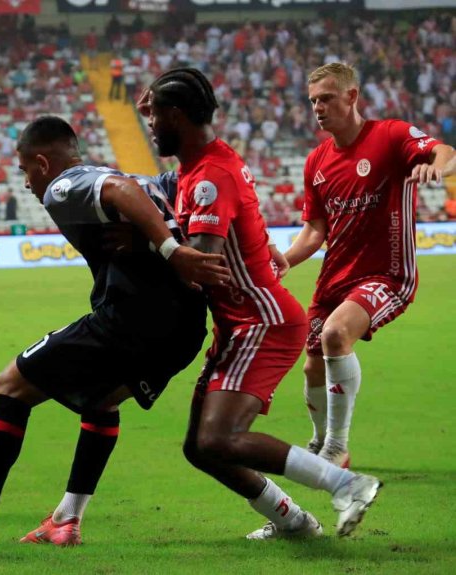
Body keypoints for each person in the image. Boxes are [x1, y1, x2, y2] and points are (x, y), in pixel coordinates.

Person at [0, 116, 230, 557]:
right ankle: (66, 519)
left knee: (10, 385)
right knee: (101, 399)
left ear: (41, 162)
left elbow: (119, 191)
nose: (25, 183)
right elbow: (170, 193)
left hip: (133, 319)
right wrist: (150, 240)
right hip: (184, 329)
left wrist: (170, 251)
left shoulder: (64, 185)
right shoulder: (148, 178)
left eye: (24, 171)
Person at [138, 68, 382, 540]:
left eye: (154, 118)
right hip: (238, 324)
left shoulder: (209, 175)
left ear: (175, 115)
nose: (150, 127)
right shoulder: (205, 163)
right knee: (200, 447)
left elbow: (202, 265)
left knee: (219, 438)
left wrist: (145, 244)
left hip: (261, 321)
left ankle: (346, 483)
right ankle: (292, 521)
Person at [283, 63, 456, 468]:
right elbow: (313, 232)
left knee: (336, 335)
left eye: (326, 98)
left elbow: (446, 152)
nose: (318, 108)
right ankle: (321, 438)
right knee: (310, 367)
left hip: (387, 274)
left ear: (352, 97)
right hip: (334, 278)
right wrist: (282, 260)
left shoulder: (391, 135)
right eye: (313, 101)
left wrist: (438, 167)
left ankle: (337, 448)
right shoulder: (317, 162)